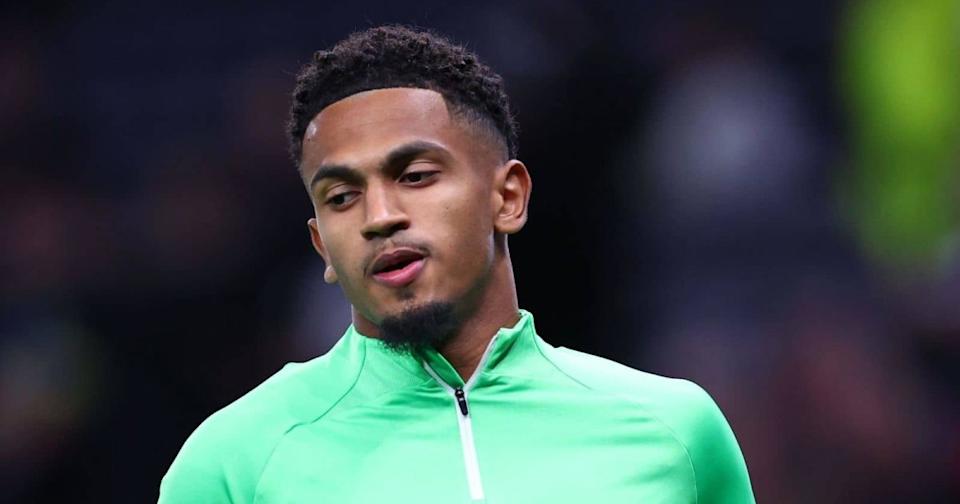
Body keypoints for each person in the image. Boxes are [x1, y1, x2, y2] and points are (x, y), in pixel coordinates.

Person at [158, 25, 755, 503]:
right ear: (322, 247)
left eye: (415, 176)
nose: (379, 216)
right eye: (341, 197)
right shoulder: (235, 461)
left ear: (508, 198)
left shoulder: (675, 433)